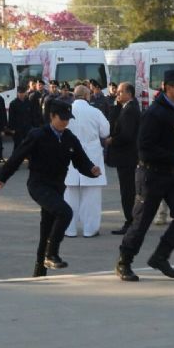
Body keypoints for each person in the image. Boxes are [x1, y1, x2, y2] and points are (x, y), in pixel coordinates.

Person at [0, 100, 100, 277]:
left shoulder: (69, 138)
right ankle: (52, 254)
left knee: (47, 228)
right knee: (65, 212)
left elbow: (81, 161)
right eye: (62, 118)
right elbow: (17, 156)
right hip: (38, 185)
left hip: (57, 187)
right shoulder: (38, 135)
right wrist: (2, 177)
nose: (65, 122)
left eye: (68, 119)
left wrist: (91, 170)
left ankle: (39, 272)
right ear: (52, 116)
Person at [115, 70, 174, 282]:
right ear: (169, 87)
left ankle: (160, 256)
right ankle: (124, 261)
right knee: (142, 222)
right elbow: (143, 149)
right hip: (151, 175)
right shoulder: (154, 113)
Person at [63, 86, 110, 237]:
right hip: (91, 155)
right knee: (92, 196)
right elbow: (105, 131)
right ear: (86, 96)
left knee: (70, 195)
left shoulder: (66, 110)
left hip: (70, 154)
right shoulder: (95, 112)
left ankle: (69, 229)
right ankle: (90, 229)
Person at [106, 82, 141, 235]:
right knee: (128, 190)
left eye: (120, 92)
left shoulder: (130, 110)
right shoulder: (126, 107)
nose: (117, 94)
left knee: (127, 191)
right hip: (127, 156)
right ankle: (132, 220)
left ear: (129, 93)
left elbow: (127, 134)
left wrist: (112, 140)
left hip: (127, 157)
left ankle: (130, 221)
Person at [8, 86, 33, 151]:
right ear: (17, 93)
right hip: (17, 128)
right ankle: (15, 159)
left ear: (25, 93)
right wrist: (12, 128)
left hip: (27, 127)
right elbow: (11, 117)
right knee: (17, 145)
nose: (21, 94)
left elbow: (32, 115)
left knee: (28, 144)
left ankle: (29, 158)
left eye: (23, 93)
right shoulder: (13, 103)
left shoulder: (28, 102)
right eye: (20, 93)